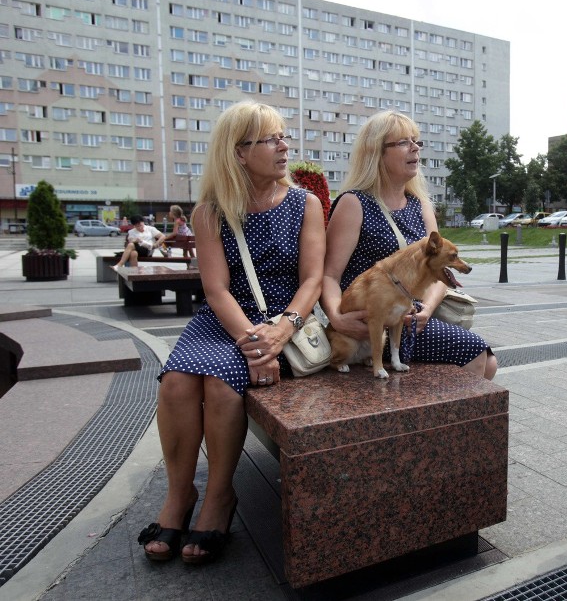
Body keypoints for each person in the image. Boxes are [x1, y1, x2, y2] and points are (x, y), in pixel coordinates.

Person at [137, 100, 325, 564]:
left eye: (283, 136)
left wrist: (282, 330)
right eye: (271, 139)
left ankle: (220, 499)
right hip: (225, 321)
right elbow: (216, 289)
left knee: (221, 385)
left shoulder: (308, 203)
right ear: (238, 152)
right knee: (177, 381)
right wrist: (253, 342)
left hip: (287, 320)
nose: (285, 146)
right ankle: (178, 497)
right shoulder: (211, 211)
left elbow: (312, 281)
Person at [322, 110, 497, 380]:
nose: (415, 148)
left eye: (416, 141)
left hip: (411, 319)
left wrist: (427, 309)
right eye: (403, 142)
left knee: (489, 364)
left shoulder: (420, 204)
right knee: (476, 354)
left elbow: (439, 272)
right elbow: (330, 275)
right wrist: (336, 317)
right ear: (376, 153)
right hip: (372, 321)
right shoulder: (353, 203)